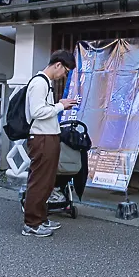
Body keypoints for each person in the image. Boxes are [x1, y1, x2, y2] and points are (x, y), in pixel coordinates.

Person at [22, 50, 79, 237]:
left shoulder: (45, 83)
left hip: (47, 136)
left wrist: (59, 104)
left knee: (46, 181)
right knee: (40, 181)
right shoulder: (40, 83)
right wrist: (61, 106)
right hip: (41, 137)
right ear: (58, 65)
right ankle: (32, 222)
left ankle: (40, 218)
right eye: (65, 71)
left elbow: (42, 109)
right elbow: (37, 111)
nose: (64, 75)